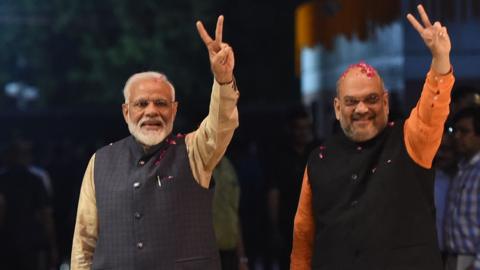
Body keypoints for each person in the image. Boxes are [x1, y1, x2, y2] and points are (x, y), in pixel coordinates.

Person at [290, 4, 454, 270]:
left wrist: (440, 59)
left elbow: (433, 110)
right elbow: (303, 239)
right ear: (337, 108)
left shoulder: (410, 140)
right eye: (352, 102)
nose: (362, 109)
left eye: (372, 99)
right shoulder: (318, 159)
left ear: (386, 103)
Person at [71, 15, 239, 270]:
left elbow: (222, 124)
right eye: (141, 104)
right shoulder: (100, 161)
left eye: (161, 103)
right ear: (126, 112)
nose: (152, 111)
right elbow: (84, 243)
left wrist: (223, 80)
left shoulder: (194, 150)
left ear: (173, 110)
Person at [444, 107, 480, 270]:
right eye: (455, 130)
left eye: (464, 132)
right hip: (453, 257)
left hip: (472, 259)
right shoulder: (462, 168)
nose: (457, 137)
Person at [212, 156, 249, 270]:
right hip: (207, 252)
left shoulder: (229, 167)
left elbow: (235, 213)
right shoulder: (196, 166)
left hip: (230, 250)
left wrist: (242, 257)